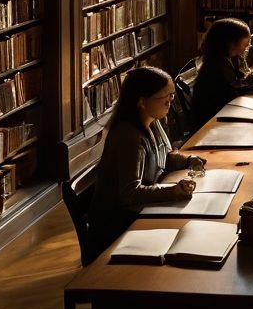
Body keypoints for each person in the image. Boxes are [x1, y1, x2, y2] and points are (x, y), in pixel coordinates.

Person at [88, 66, 206, 254]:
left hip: (140, 211)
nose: (170, 103)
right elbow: (130, 193)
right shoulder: (129, 137)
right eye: (165, 98)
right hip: (120, 226)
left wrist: (188, 160)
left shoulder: (153, 121)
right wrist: (173, 191)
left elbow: (163, 158)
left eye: (172, 96)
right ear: (142, 101)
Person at [190, 17, 253, 129]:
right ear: (231, 44)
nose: (248, 46)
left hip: (226, 111)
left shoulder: (230, 57)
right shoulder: (216, 63)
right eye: (245, 43)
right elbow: (236, 87)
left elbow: (239, 80)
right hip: (212, 122)